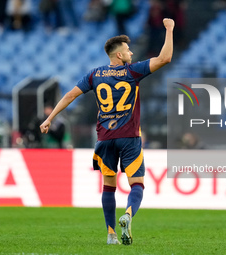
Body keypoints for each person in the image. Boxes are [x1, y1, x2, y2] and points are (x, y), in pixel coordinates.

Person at [40, 18, 175, 245]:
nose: (131, 52)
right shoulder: (132, 71)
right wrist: (169, 29)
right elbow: (165, 58)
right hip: (129, 137)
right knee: (137, 184)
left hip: (104, 139)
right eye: (128, 50)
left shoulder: (94, 75)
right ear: (119, 56)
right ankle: (128, 215)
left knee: (108, 187)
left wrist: (49, 118)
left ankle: (111, 234)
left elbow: (71, 95)